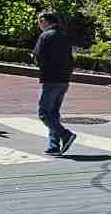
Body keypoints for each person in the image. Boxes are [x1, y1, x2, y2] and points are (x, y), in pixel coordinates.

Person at [32, 11, 76, 156]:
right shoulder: (65, 36)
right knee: (53, 114)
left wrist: (38, 62)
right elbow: (72, 57)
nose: (39, 25)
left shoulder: (46, 36)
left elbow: (38, 56)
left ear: (45, 21)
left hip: (50, 79)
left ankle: (65, 135)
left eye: (39, 22)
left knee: (44, 114)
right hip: (64, 80)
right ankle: (54, 145)